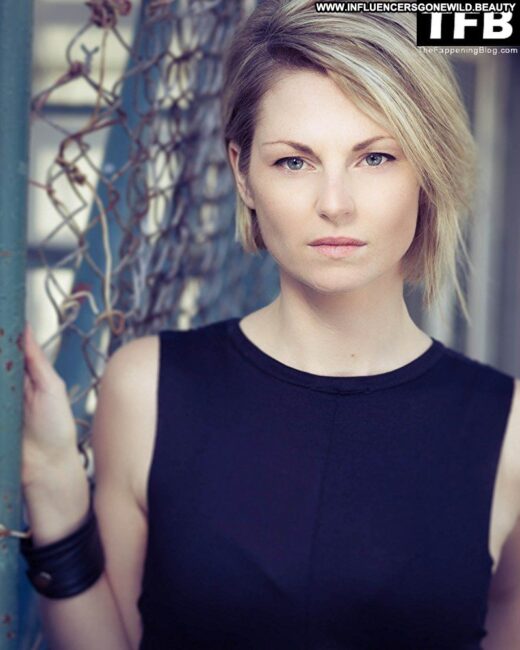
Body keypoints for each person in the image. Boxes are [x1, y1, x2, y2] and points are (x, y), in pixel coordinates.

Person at [20, 0, 520, 648]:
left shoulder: (510, 431)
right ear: (243, 175)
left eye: (375, 158)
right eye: (294, 161)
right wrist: (53, 489)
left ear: (426, 170)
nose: (334, 204)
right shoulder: (147, 388)